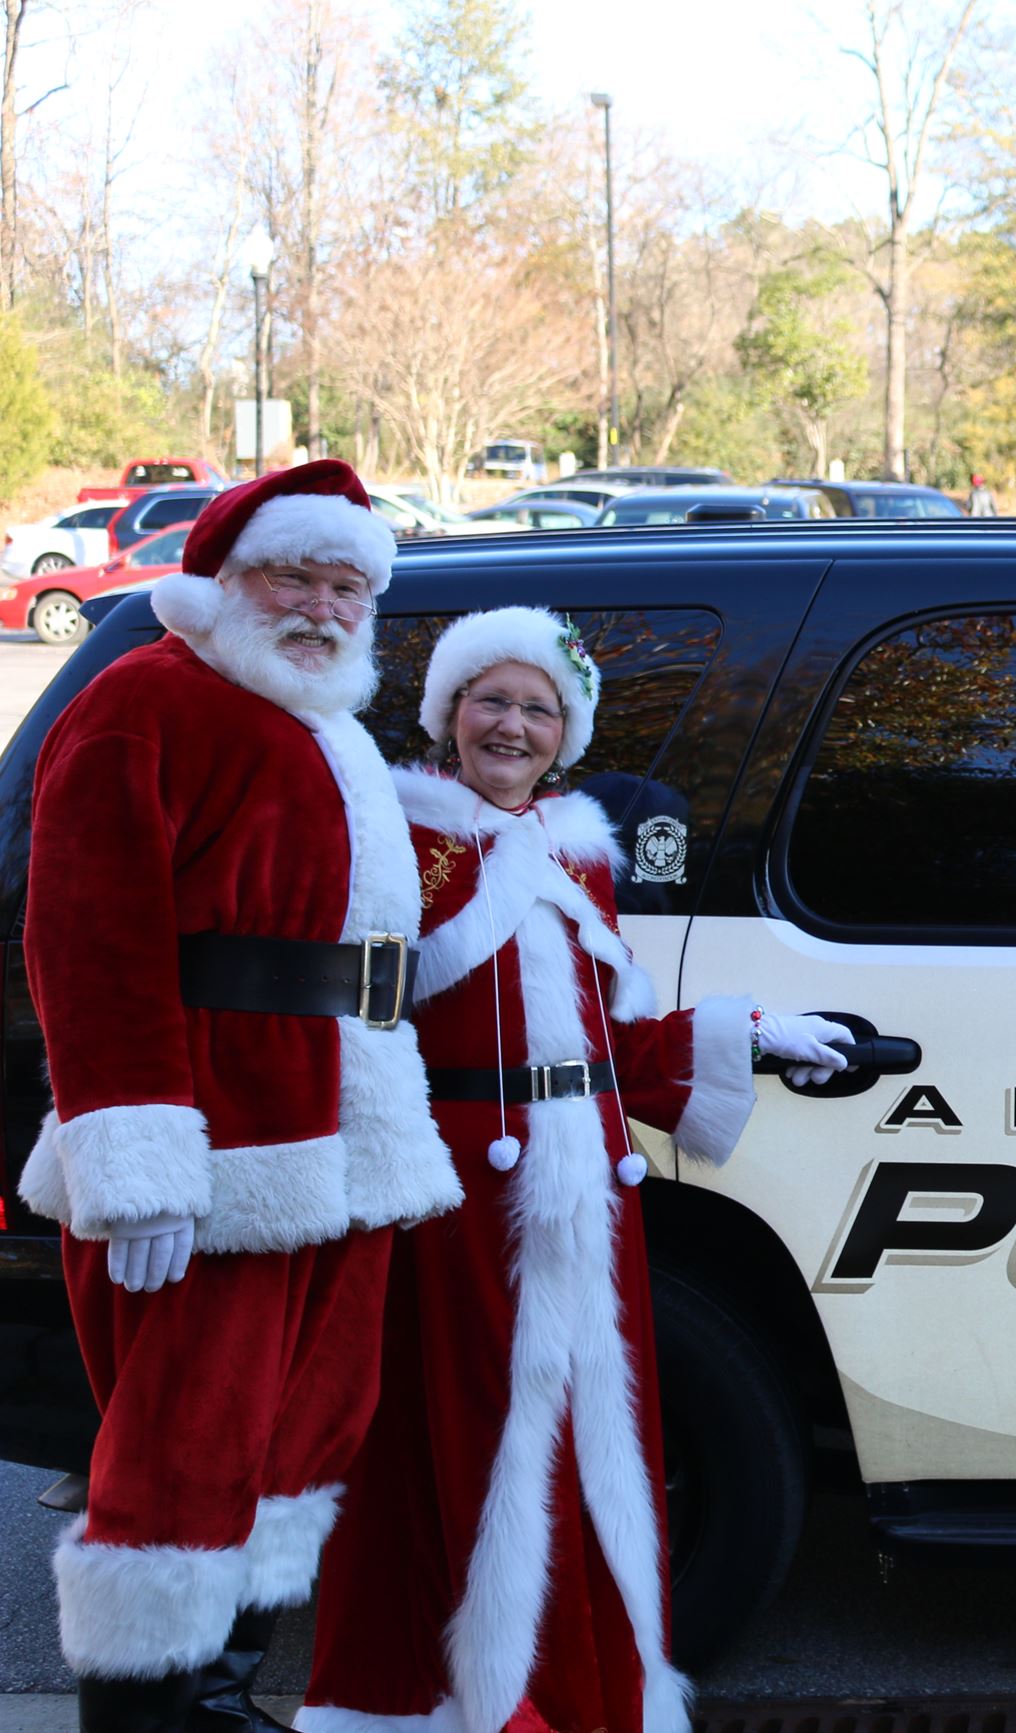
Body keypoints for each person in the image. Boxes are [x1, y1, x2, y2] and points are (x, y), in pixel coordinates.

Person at [299, 607, 851, 1733]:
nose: (511, 723)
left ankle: (589, 1697)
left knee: (584, 1458)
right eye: (489, 698)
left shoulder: (576, 852)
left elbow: (599, 1047)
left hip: (580, 1200)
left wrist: (741, 1030)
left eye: (537, 706)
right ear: (446, 713)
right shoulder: (387, 841)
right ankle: (469, 1707)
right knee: (463, 1451)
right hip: (456, 1203)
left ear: (568, 731)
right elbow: (347, 1023)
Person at [20, 460, 459, 1724]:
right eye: (295, 576)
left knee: (305, 1431)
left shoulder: (319, 719)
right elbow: (90, 943)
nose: (323, 606)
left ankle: (218, 1691)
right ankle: (145, 1709)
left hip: (346, 1135)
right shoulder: (146, 701)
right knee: (185, 1444)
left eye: (346, 586)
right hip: (218, 1150)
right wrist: (139, 1158)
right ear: (220, 581)